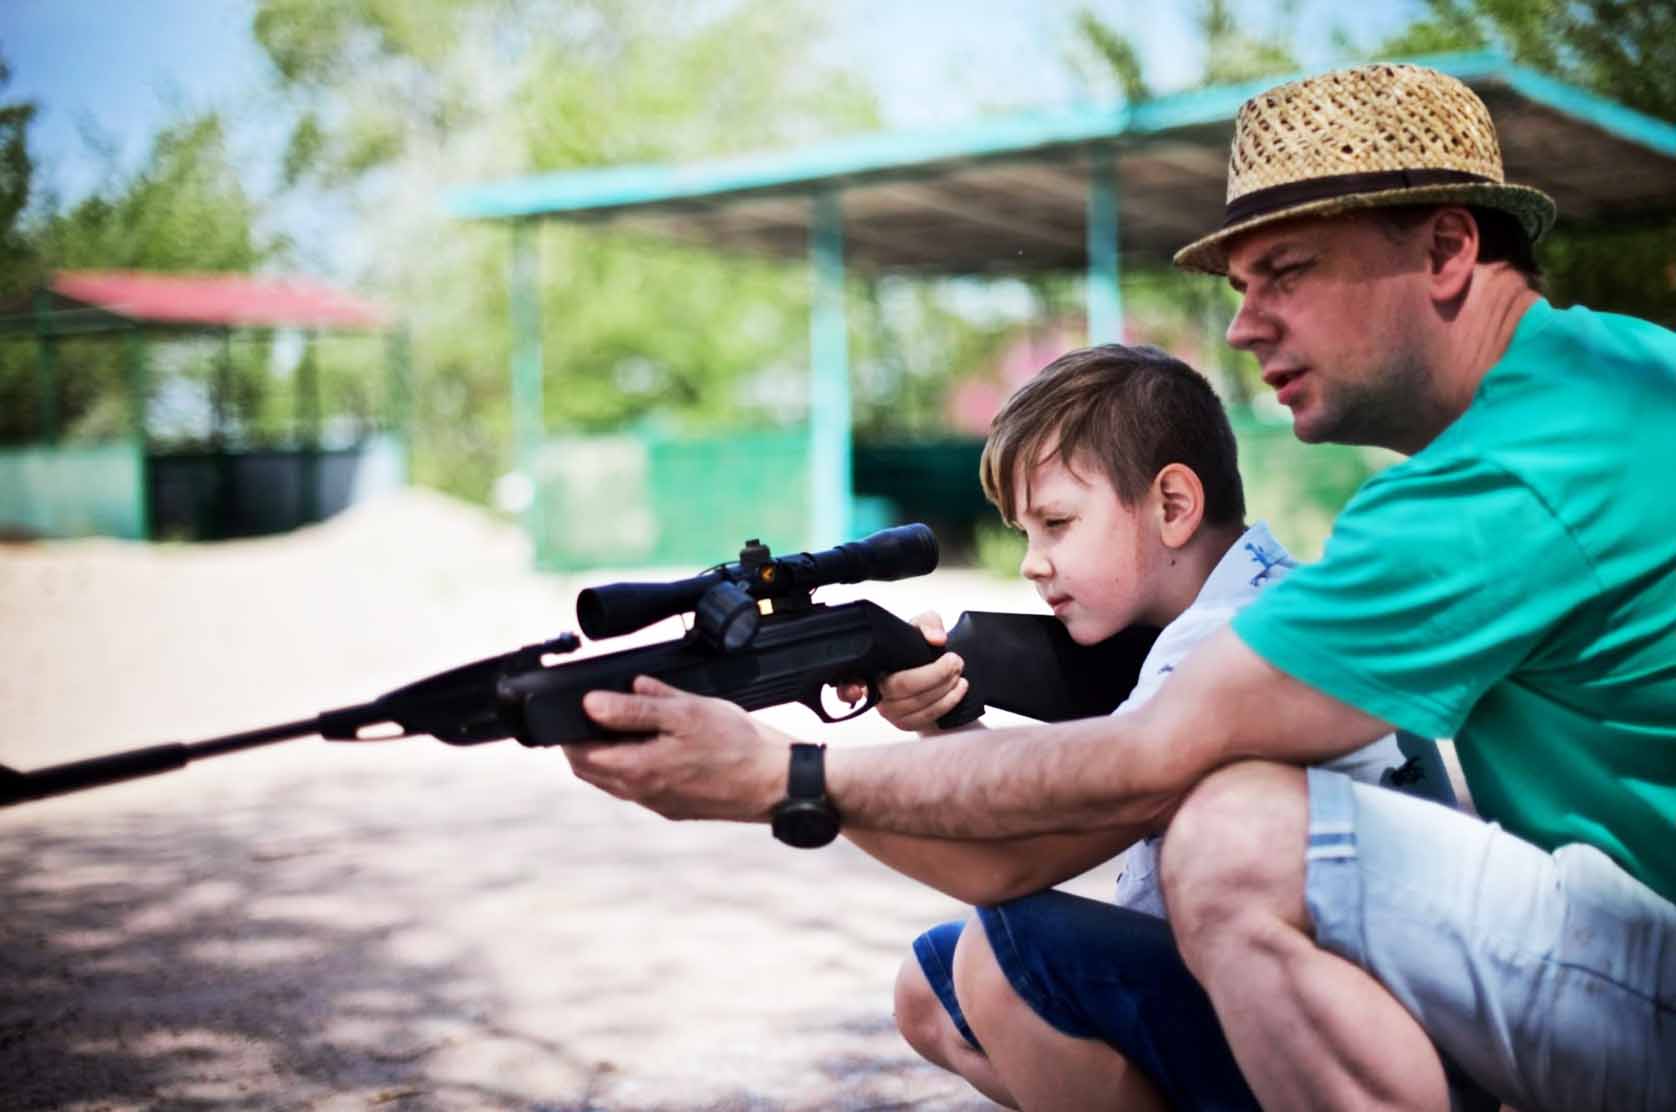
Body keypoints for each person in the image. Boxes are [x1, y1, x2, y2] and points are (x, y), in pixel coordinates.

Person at [566, 62, 1676, 1111]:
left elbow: (1116, 778)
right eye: (1242, 286)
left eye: (1284, 273)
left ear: (1444, 248)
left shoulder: (1513, 469)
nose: (1241, 326)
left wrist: (779, 771)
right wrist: (935, 713)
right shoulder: (1615, 380)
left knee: (1236, 835)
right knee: (962, 972)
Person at [850, 341, 1424, 1109]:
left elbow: (1020, 844)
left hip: (1339, 1037)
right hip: (1310, 1002)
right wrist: (948, 714)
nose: (1031, 562)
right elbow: (1062, 785)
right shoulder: (1267, 595)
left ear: (1174, 506)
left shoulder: (1222, 638)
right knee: (929, 987)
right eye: (1025, 532)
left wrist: (790, 774)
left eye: (1056, 522)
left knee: (1003, 955)